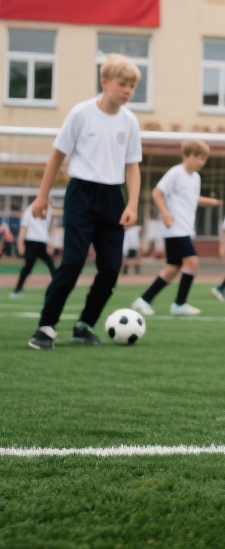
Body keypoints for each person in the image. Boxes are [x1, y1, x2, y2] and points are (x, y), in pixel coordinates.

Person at [27, 53, 142, 350]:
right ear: (104, 82)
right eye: (123, 84)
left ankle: (84, 325)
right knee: (73, 262)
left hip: (112, 199)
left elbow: (132, 166)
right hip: (81, 195)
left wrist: (131, 205)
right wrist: (42, 196)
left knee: (111, 269)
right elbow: (57, 157)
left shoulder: (130, 122)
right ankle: (45, 327)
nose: (128, 90)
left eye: (132, 86)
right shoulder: (81, 113)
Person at [133, 140, 221, 316]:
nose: (202, 162)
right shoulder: (175, 173)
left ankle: (142, 301)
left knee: (172, 270)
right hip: (175, 228)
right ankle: (179, 305)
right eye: (199, 158)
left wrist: (208, 201)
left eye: (204, 159)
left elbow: (191, 198)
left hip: (186, 228)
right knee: (192, 262)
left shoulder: (196, 178)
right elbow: (157, 193)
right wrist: (165, 213)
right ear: (188, 155)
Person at [12, 203, 57, 297]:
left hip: (40, 242)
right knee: (30, 266)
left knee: (48, 264)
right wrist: (20, 245)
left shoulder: (47, 210)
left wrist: (49, 244)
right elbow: (24, 228)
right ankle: (17, 289)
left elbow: (46, 229)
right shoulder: (30, 210)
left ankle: (58, 285)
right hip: (33, 242)